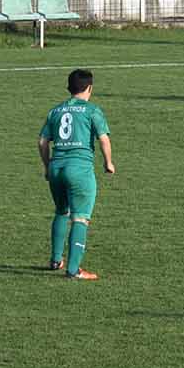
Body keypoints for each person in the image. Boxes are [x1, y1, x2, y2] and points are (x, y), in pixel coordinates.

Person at [38, 69, 115, 281]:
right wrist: (108, 163)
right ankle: (73, 270)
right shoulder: (92, 110)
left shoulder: (55, 111)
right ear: (89, 88)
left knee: (61, 211)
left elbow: (42, 141)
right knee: (80, 218)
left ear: (69, 88)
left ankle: (55, 260)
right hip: (79, 170)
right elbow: (104, 139)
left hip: (57, 168)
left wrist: (47, 166)